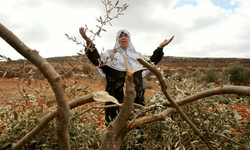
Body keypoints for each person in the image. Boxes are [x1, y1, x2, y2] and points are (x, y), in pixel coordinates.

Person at [79, 27, 174, 125]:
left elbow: (151, 63)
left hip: (136, 103)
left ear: (129, 39)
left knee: (136, 130)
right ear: (117, 40)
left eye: (125, 35)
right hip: (114, 103)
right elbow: (96, 60)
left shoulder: (137, 58)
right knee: (114, 131)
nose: (123, 38)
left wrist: (160, 48)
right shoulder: (110, 58)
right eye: (120, 36)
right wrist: (88, 41)